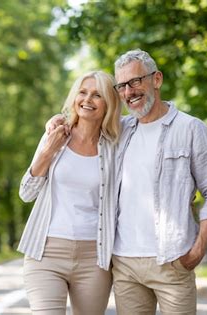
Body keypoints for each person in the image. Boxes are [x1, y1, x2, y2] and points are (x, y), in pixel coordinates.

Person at [47, 49, 207, 314]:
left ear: (156, 79)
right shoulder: (118, 131)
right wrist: (55, 122)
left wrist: (198, 249)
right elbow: (82, 120)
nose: (128, 92)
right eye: (121, 86)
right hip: (124, 264)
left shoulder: (191, 129)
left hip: (172, 260)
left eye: (135, 81)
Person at [18, 70, 122, 315]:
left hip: (94, 258)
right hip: (46, 252)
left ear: (108, 103)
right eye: (83, 92)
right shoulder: (56, 135)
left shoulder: (116, 144)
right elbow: (26, 193)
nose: (87, 99)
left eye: (97, 95)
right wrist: (47, 152)